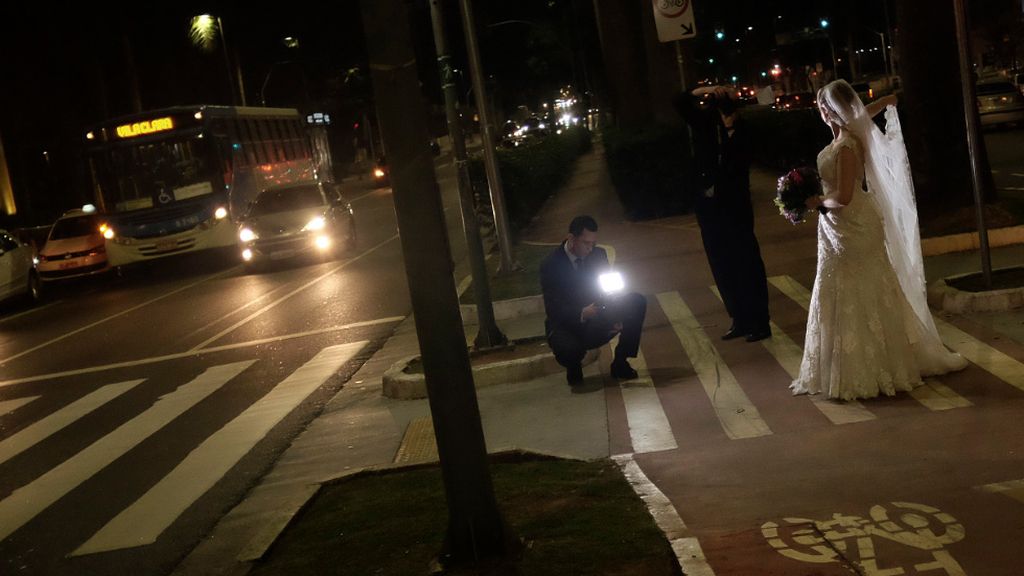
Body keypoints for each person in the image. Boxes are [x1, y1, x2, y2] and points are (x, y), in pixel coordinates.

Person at [791, 79, 968, 401]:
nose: (820, 111)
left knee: (861, 287)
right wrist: (885, 100)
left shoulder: (847, 145)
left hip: (854, 224)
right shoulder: (846, 134)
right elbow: (861, 113)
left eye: (822, 105)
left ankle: (872, 366)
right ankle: (839, 366)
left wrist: (815, 203)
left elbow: (843, 196)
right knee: (836, 287)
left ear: (831, 110)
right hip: (834, 229)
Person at [674, 86, 771, 342]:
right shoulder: (705, 123)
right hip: (709, 207)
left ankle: (759, 321)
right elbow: (680, 101)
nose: (724, 111)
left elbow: (739, 162)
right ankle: (738, 318)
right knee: (721, 263)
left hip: (735, 207)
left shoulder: (744, 130)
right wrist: (705, 89)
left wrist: (730, 131)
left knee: (747, 263)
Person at [540, 215, 647, 386]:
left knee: (636, 302)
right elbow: (553, 308)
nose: (590, 248)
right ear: (571, 239)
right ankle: (574, 366)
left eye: (593, 243)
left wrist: (615, 309)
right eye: (586, 243)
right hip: (568, 324)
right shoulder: (551, 265)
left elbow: (606, 288)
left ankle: (620, 361)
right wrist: (581, 313)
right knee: (568, 350)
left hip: (597, 314)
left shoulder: (598, 255)